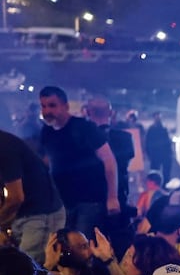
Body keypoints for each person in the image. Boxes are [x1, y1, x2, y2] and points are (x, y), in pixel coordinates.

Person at [38, 86, 120, 236]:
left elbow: (109, 160)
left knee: (82, 244)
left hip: (89, 201)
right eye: (43, 106)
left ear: (65, 106)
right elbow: (48, 161)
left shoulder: (85, 127)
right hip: (62, 203)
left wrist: (112, 197)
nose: (47, 111)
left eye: (52, 105)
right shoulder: (46, 132)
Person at [0, 129, 66, 265]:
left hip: (40, 216)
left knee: (28, 270)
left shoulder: (4, 146)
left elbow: (16, 197)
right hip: (21, 215)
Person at [145, 111, 174, 181]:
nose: (158, 118)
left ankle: (165, 184)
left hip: (165, 154)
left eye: (159, 117)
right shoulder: (151, 129)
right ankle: (154, 184)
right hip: (155, 154)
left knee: (166, 172)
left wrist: (170, 152)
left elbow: (168, 141)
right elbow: (148, 142)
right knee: (154, 172)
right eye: (156, 117)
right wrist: (148, 153)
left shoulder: (164, 128)